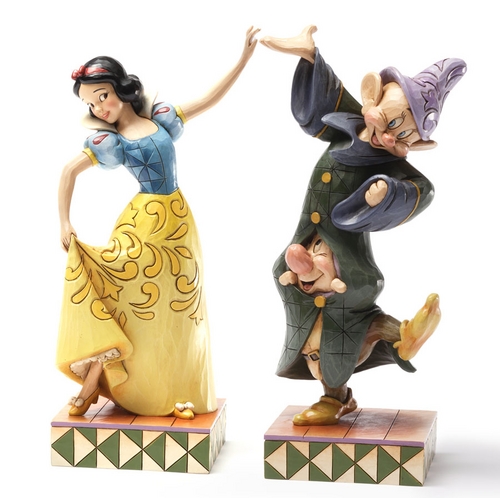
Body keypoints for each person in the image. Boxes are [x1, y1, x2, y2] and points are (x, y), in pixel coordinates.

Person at [261, 26, 465, 425]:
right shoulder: (349, 120)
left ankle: (337, 394)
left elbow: (421, 190)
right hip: (308, 240)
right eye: (389, 119)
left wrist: (385, 192)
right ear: (371, 95)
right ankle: (398, 336)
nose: (387, 136)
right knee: (301, 291)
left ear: (415, 145)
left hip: (343, 258)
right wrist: (310, 57)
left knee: (339, 313)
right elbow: (323, 100)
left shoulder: (390, 164)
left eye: (403, 135)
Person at [57, 27, 259, 418]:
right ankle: (95, 379)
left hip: (177, 223)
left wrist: (242, 60)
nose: (99, 107)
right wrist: (64, 222)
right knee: (126, 298)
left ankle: (174, 390)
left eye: (102, 95)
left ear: (120, 88)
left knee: (177, 307)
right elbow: (68, 171)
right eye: (90, 103)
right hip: (141, 224)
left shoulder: (162, 118)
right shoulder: (111, 142)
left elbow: (209, 98)